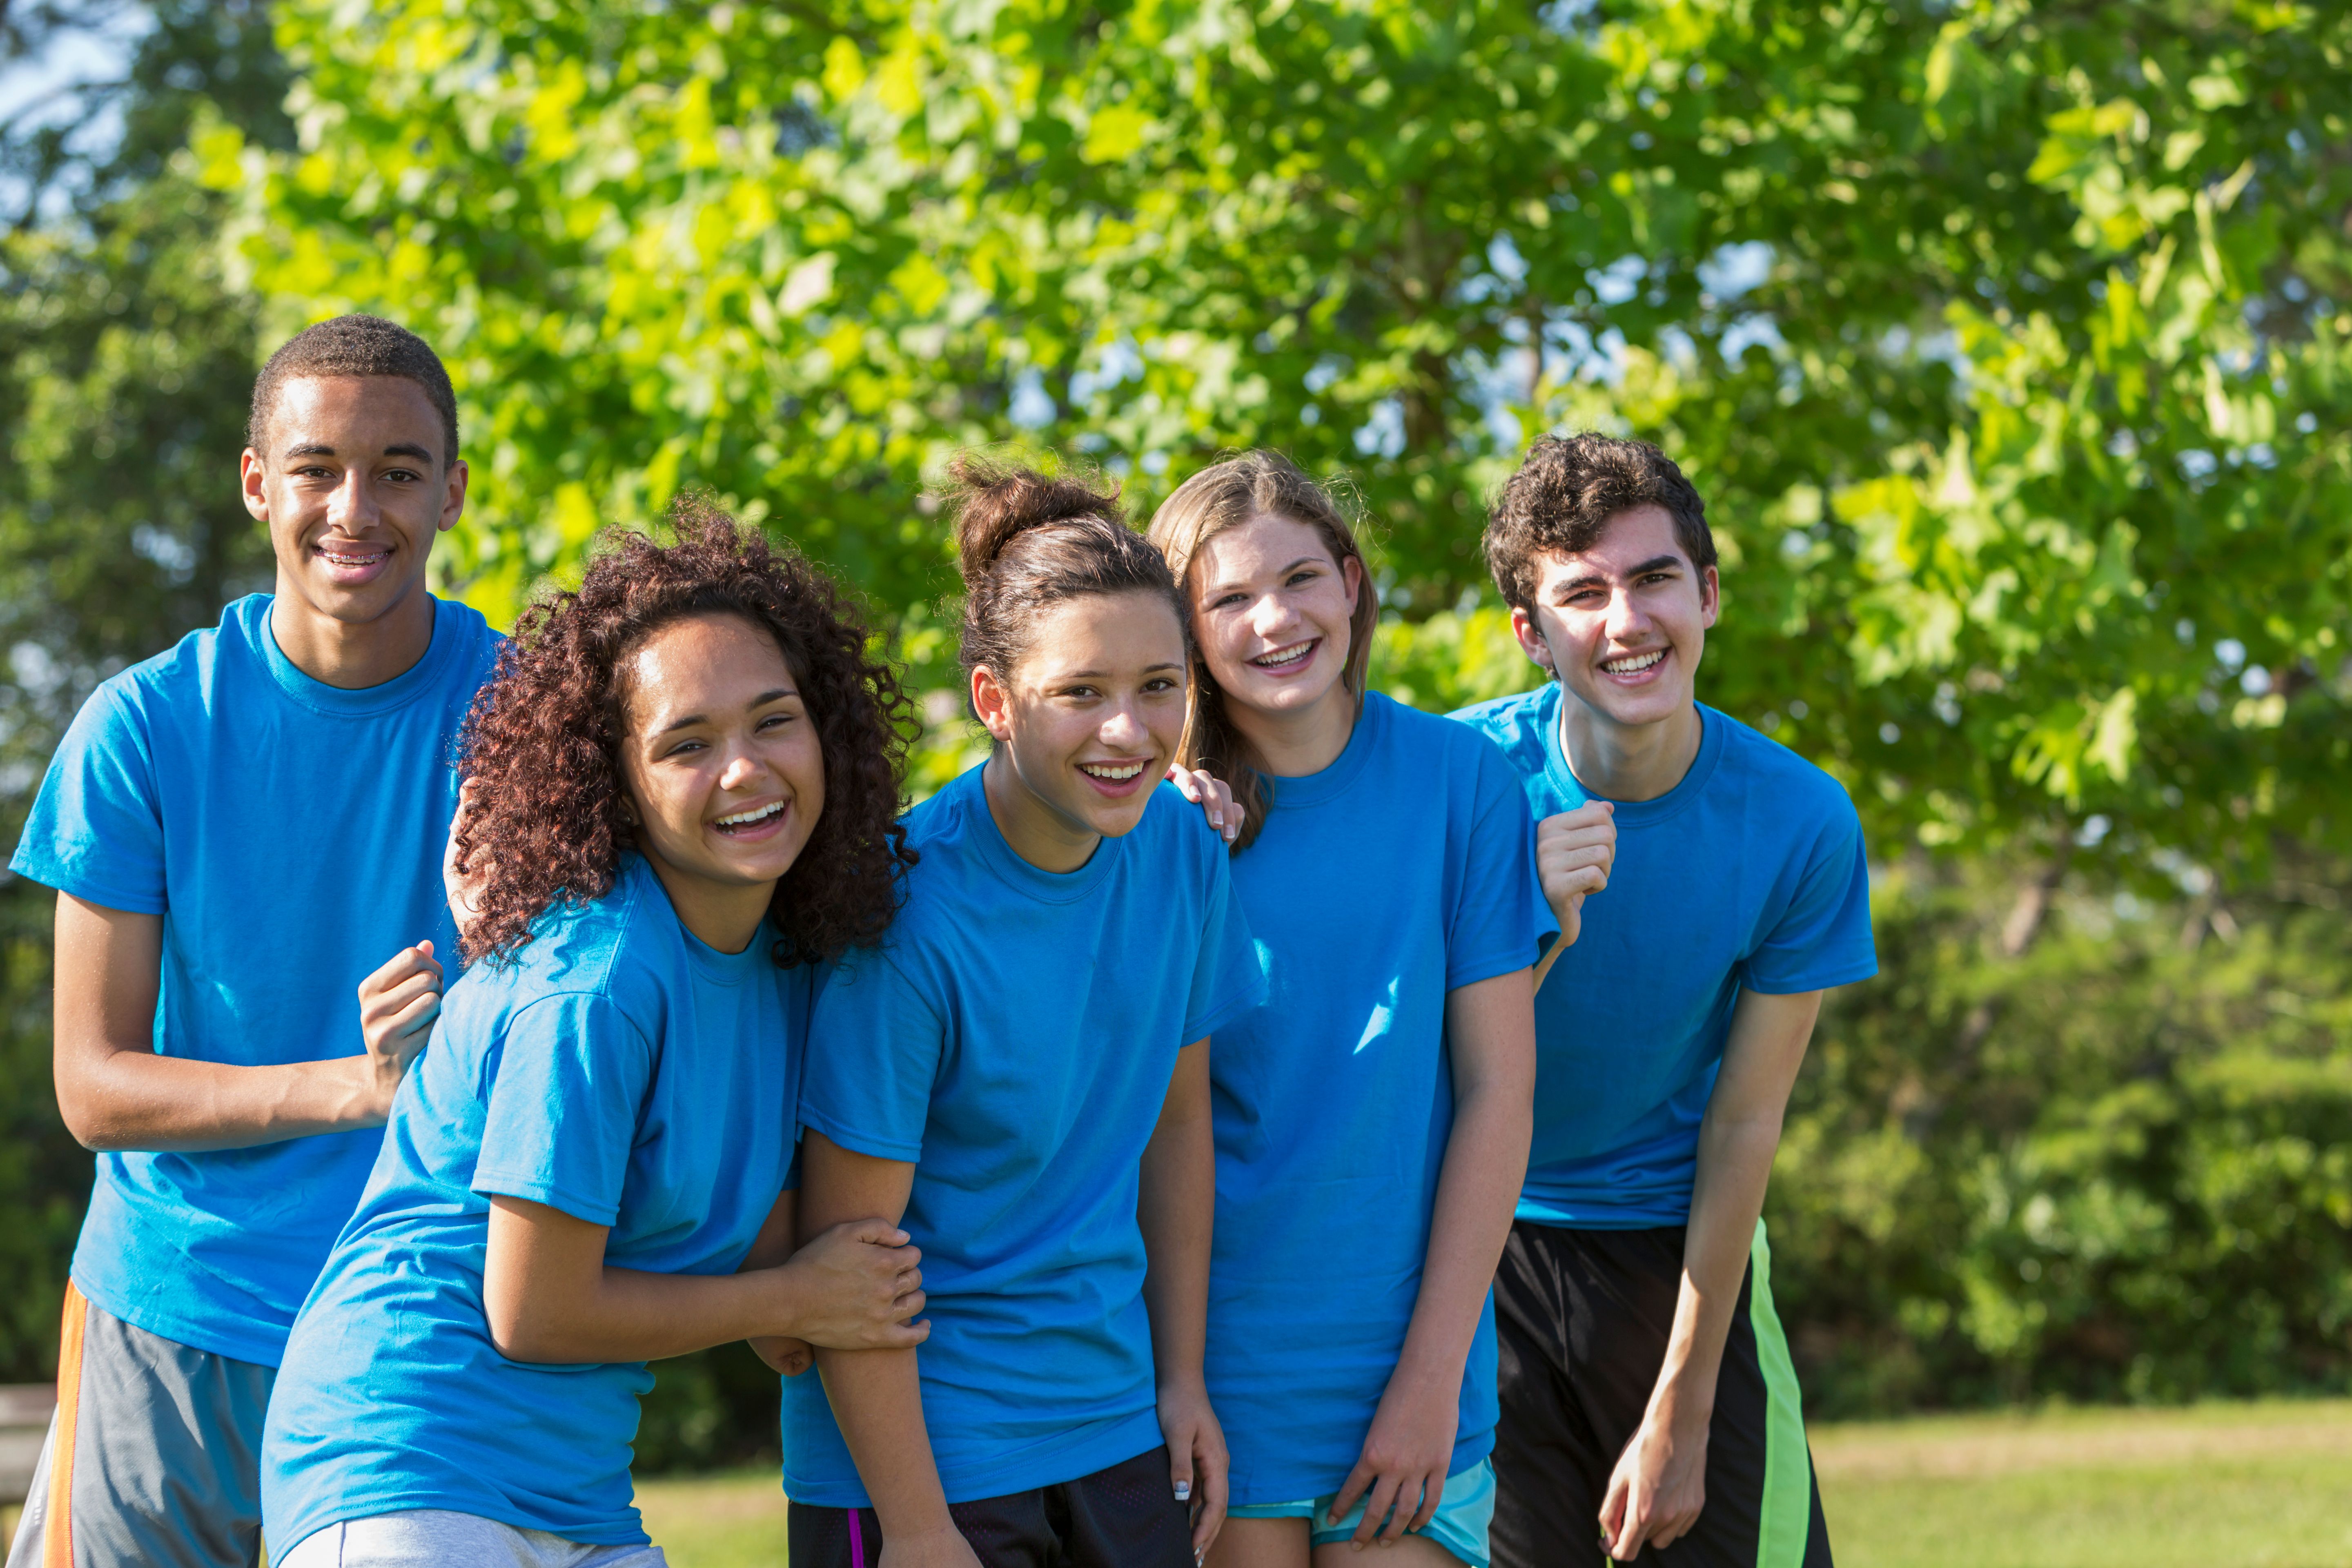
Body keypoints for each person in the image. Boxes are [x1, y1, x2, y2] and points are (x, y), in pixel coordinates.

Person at [259, 502, 929, 1565]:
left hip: (570, 1492)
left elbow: (766, 1278)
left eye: (773, 720)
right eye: (687, 745)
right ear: (618, 783)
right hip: (405, 1459)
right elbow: (534, 1309)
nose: (745, 771)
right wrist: (796, 1295)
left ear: (827, 725)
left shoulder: (781, 959)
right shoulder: (599, 981)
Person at [5, 315, 495, 1568]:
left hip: (418, 1323)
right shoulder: (142, 728)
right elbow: (94, 1087)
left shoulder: (528, 717)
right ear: (257, 484)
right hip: (175, 1314)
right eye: (318, 467)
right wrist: (356, 1088)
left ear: (451, 491)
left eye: (397, 471)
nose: (355, 508)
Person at [780, 458, 1265, 1568]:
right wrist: (911, 1526)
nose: (1130, 732)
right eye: (1081, 693)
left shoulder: (1184, 853)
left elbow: (1177, 1126)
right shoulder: (905, 916)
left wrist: (1180, 1378)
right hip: (924, 1456)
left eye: (1159, 686)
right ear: (996, 702)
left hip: (1110, 1426)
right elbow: (849, 1249)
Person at [1450, 434, 1877, 1568]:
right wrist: (1523, 915)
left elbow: (1745, 1121)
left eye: (1653, 580)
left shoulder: (1800, 822)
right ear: (1531, 635)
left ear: (1708, 595)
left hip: (1681, 1258)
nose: (1626, 622)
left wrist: (1683, 1411)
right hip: (1474, 1256)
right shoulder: (1457, 791)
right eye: (1581, 594)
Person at [1145, 452, 1574, 1568]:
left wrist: (1433, 1380)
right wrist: (1146, 839)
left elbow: (1497, 1091)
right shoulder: (1155, 831)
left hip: (1411, 1354)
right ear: (1185, 634)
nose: (1273, 620)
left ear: (1350, 583)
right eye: (1228, 600)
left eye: (1299, 579)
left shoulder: (1463, 782)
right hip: (1221, 1360)